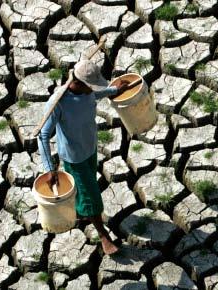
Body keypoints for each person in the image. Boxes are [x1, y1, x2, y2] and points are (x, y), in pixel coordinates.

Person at [38, 59, 129, 255]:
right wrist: (49, 168)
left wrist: (114, 90)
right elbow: (43, 135)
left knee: (86, 190)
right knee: (91, 197)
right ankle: (103, 235)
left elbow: (97, 93)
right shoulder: (58, 103)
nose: (93, 90)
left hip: (90, 149)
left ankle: (78, 210)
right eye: (91, 86)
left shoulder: (86, 92)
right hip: (74, 158)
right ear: (79, 83)